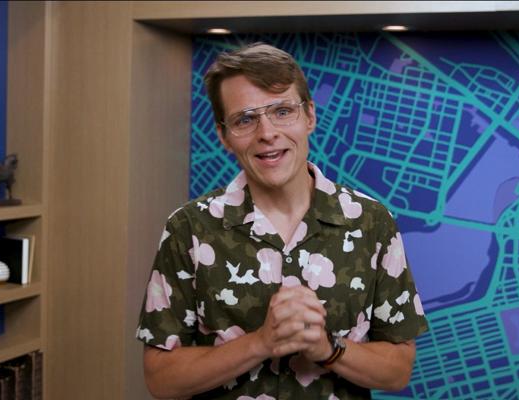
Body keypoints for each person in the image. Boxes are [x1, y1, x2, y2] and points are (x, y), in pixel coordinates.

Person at [137, 42, 429, 399]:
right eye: (245, 119)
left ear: (310, 116)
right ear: (223, 136)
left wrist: (327, 349)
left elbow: (398, 370)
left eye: (282, 111)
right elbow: (161, 379)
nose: (267, 133)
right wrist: (261, 342)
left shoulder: (372, 222)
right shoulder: (188, 228)